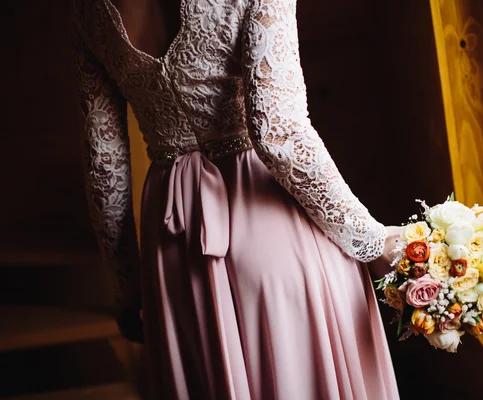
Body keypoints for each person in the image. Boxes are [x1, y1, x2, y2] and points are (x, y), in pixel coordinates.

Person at [70, 0, 403, 398]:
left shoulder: (87, 11)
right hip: (269, 223)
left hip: (173, 239)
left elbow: (104, 166)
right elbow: (280, 136)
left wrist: (128, 288)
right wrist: (371, 241)